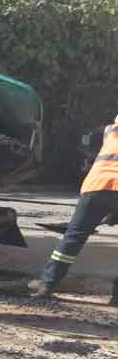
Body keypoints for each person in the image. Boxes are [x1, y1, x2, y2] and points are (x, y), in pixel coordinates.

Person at [29, 114, 118, 305]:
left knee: (73, 237)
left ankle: (47, 283)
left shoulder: (109, 130)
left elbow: (86, 144)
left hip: (96, 186)